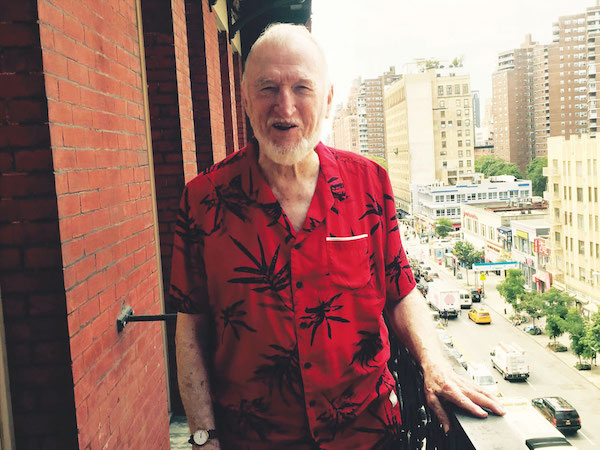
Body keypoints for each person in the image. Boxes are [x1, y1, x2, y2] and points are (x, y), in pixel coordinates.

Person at [169, 23, 504, 450]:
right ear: (246, 99)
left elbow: (401, 292)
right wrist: (203, 435)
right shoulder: (204, 200)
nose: (284, 107)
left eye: (302, 88)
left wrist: (432, 363)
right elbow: (191, 328)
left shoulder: (369, 184)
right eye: (267, 88)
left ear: (328, 100)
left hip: (369, 435)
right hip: (254, 441)